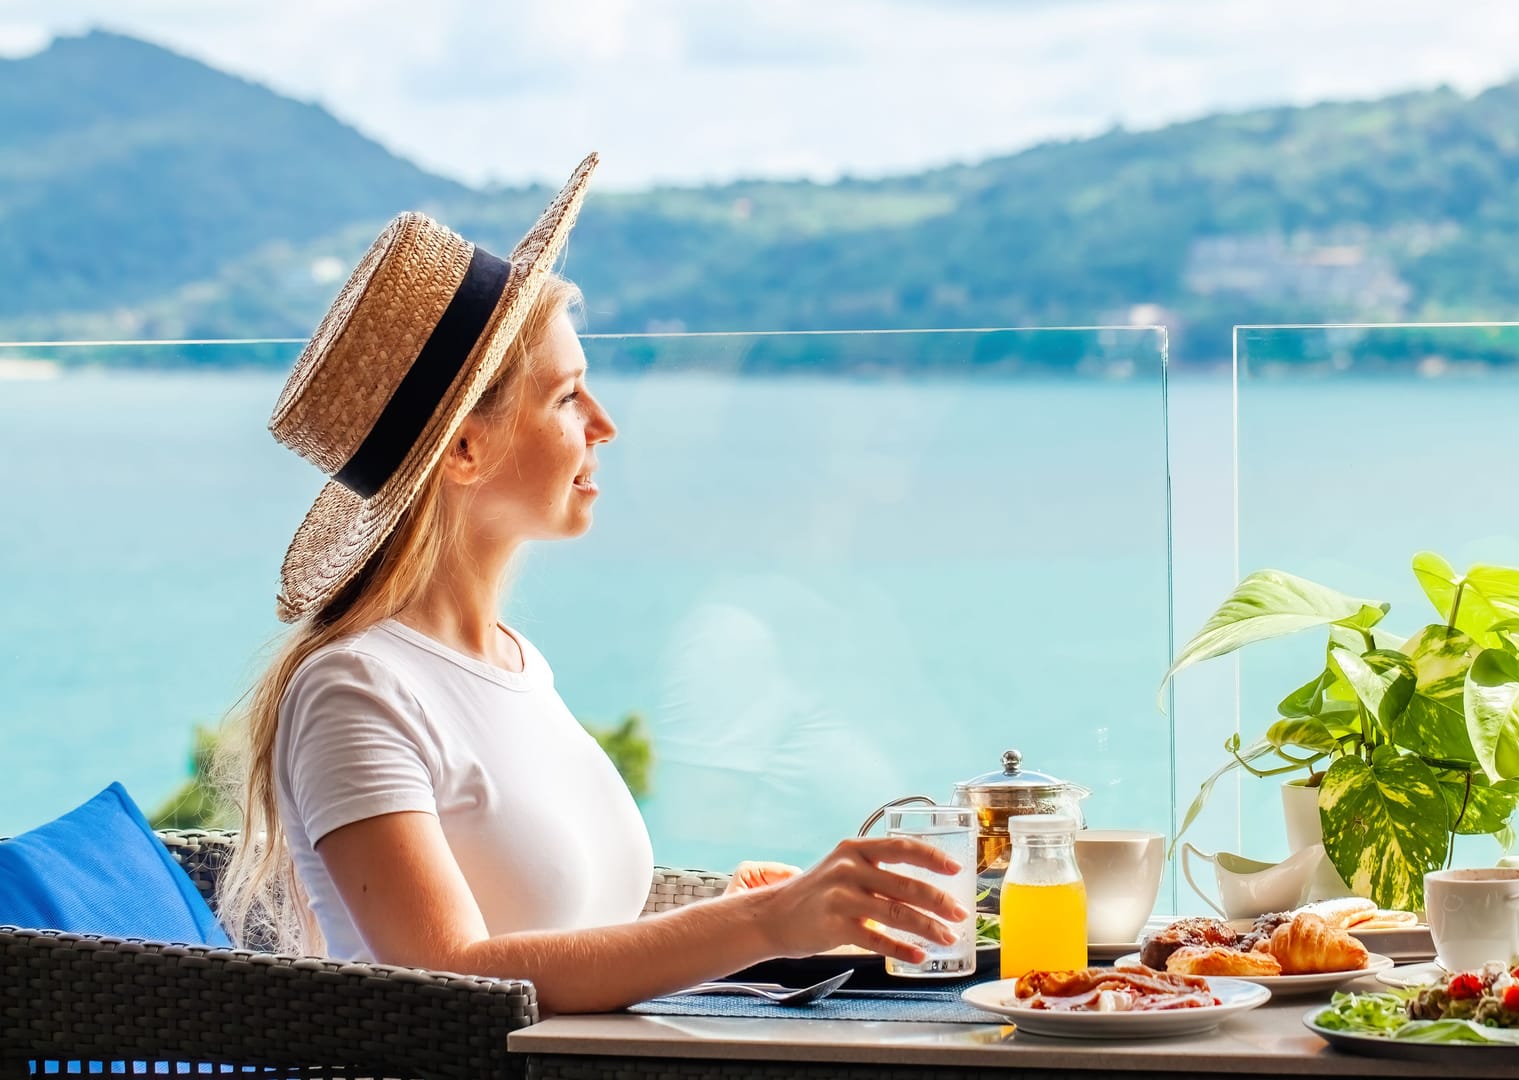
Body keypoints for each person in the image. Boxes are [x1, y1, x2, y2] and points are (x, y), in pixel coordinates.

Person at [213, 153, 967, 1015]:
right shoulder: (355, 690)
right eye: (568, 397)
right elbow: (449, 977)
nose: (605, 424)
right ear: (464, 449)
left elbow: (553, 930)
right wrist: (762, 923)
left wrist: (732, 915)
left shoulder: (513, 665)